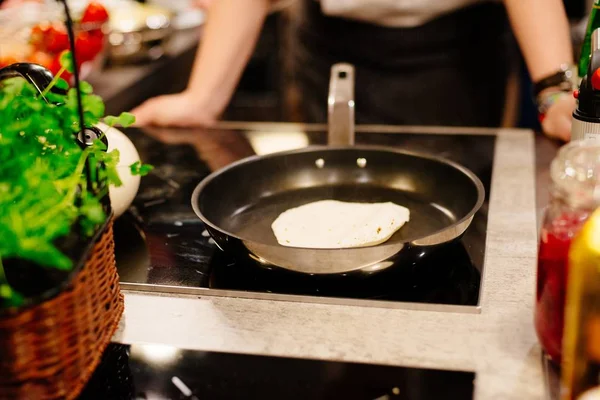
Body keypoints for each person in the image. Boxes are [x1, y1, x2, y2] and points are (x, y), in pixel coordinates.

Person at [132, 0, 577, 141]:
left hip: (456, 48)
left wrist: (555, 90)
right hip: (330, 41)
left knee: (459, 206)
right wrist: (203, 96)